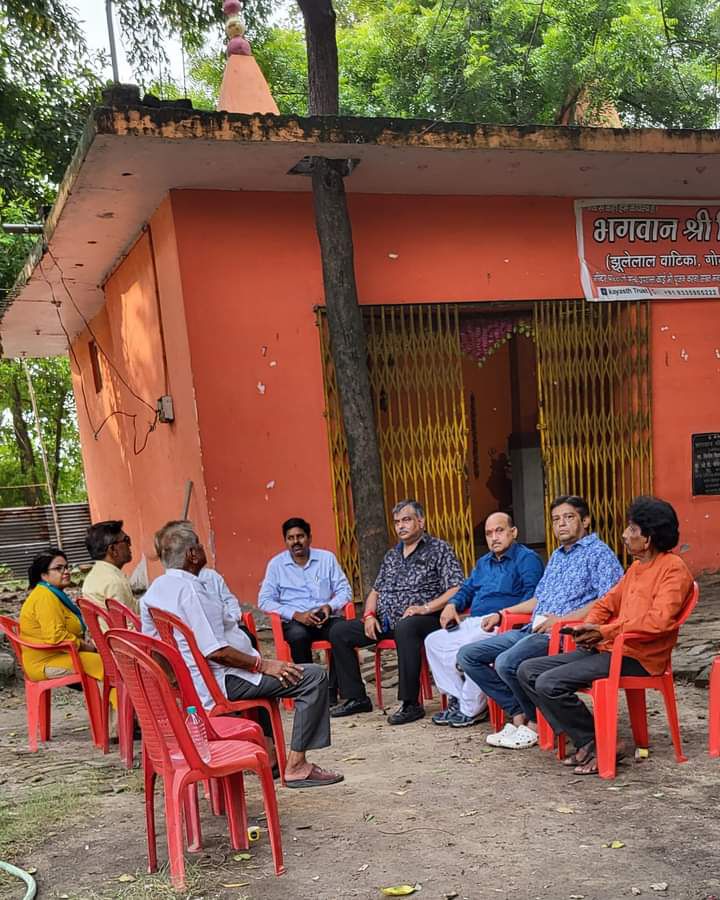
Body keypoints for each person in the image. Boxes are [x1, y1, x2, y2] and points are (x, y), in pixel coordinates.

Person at [141, 520, 343, 788]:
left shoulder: (155, 591)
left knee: (277, 678)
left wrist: (178, 683)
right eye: (200, 546)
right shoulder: (190, 590)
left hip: (202, 680)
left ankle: (271, 756)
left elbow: (154, 647)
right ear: (192, 554)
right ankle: (297, 766)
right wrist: (263, 664)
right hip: (223, 679)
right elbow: (217, 651)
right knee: (313, 677)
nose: (203, 551)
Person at [517, 496, 693, 775]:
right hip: (610, 648)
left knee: (549, 682)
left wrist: (603, 631)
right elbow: (606, 603)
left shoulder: (673, 570)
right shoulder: (635, 568)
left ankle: (599, 743)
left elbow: (657, 623)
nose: (624, 535)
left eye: (632, 529)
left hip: (639, 656)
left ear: (647, 538)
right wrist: (588, 626)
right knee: (527, 670)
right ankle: (588, 739)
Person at [457, 495, 623, 750]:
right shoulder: (557, 556)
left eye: (569, 517)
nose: (561, 524)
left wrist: (562, 620)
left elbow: (608, 602)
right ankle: (520, 713)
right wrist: (503, 613)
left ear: (586, 520)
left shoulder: (599, 554)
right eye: (556, 519)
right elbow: (539, 599)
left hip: (562, 635)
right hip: (533, 629)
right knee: (469, 655)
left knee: (506, 662)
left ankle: (535, 723)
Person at [330, 500, 465, 725]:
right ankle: (357, 697)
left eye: (406, 520)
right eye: (397, 522)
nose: (401, 526)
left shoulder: (439, 549)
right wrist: (369, 616)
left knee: (406, 627)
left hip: (425, 618)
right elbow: (375, 591)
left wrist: (425, 608)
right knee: (339, 631)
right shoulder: (392, 555)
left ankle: (411, 703)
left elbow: (456, 587)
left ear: (420, 521)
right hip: (386, 620)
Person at [425, 512, 544, 727]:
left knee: (472, 649)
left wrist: (502, 615)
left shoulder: (527, 559)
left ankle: (471, 709)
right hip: (474, 621)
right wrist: (452, 605)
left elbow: (533, 599)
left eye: (499, 531)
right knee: (434, 641)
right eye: (489, 533)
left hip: (503, 623)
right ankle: (459, 700)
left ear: (513, 532)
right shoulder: (483, 562)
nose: (494, 537)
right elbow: (466, 589)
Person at [258, 517, 352, 703]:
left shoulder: (326, 559)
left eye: (300, 536)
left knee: (342, 632)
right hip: (295, 621)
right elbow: (264, 600)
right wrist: (295, 615)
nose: (296, 542)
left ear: (309, 538)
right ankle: (310, 690)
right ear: (285, 541)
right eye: (290, 538)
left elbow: (345, 591)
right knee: (298, 636)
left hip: (324, 617)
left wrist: (329, 606)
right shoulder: (276, 565)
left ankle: (331, 690)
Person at [19, 549, 115, 707]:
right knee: (108, 666)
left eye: (67, 567)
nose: (66, 572)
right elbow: (56, 636)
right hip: (46, 662)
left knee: (107, 662)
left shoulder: (52, 594)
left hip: (60, 655)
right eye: (59, 568)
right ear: (44, 575)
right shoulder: (45, 597)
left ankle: (117, 723)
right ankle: (120, 724)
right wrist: (86, 646)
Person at [82, 520, 136, 613]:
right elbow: (127, 625)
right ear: (113, 549)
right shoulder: (113, 582)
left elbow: (133, 607)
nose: (130, 545)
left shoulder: (94, 575)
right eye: (126, 540)